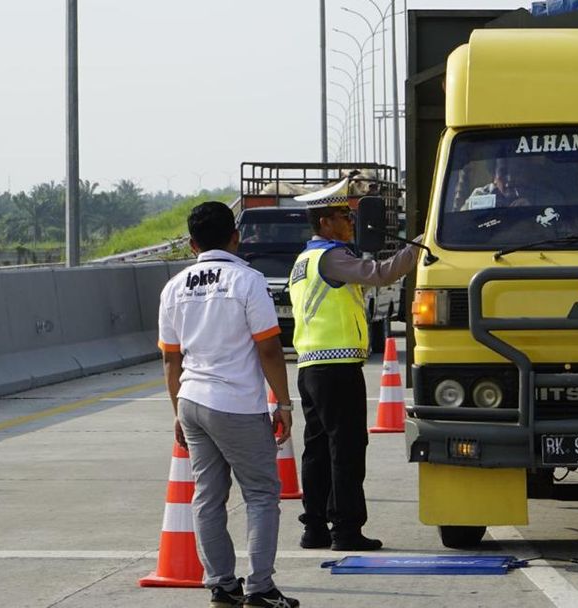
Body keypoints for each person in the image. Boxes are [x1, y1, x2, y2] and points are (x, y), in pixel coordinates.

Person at [158, 202, 299, 608]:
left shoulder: (174, 287)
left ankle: (221, 584)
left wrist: (176, 413)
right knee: (260, 494)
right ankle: (261, 588)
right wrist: (284, 405)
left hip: (191, 401)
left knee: (207, 495)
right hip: (235, 403)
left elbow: (171, 358)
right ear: (235, 237)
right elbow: (269, 348)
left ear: (191, 244)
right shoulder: (247, 280)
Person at [291, 177, 421, 551]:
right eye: (344, 216)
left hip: (310, 367)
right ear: (325, 222)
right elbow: (381, 274)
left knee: (316, 450)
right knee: (346, 450)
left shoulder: (304, 259)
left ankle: (314, 526)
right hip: (337, 366)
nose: (351, 223)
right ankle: (346, 529)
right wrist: (420, 250)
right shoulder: (332, 257)